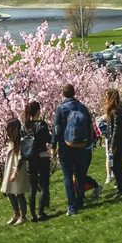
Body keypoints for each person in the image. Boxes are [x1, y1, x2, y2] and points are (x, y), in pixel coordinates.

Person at [50, 84, 94, 216]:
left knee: (68, 176)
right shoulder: (82, 107)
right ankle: (80, 200)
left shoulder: (61, 109)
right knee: (80, 174)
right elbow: (90, 125)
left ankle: (72, 206)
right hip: (81, 146)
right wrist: (89, 142)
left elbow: (57, 129)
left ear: (63, 95)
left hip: (66, 146)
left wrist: (53, 145)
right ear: (74, 93)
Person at [23, 100, 51, 222]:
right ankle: (41, 213)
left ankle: (33, 215)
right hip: (42, 156)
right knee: (44, 185)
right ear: (37, 111)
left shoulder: (25, 126)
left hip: (30, 158)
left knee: (33, 188)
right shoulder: (41, 124)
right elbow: (49, 139)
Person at [0, 118, 30, 225]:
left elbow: (21, 157)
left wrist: (15, 171)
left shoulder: (21, 141)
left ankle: (23, 216)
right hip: (10, 169)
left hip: (17, 169)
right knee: (9, 191)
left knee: (18, 192)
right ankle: (16, 214)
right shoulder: (12, 141)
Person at [105, 89, 122, 198]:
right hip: (119, 141)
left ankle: (121, 188)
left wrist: (112, 145)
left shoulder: (115, 111)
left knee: (115, 165)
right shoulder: (115, 110)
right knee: (117, 165)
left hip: (117, 142)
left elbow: (116, 129)